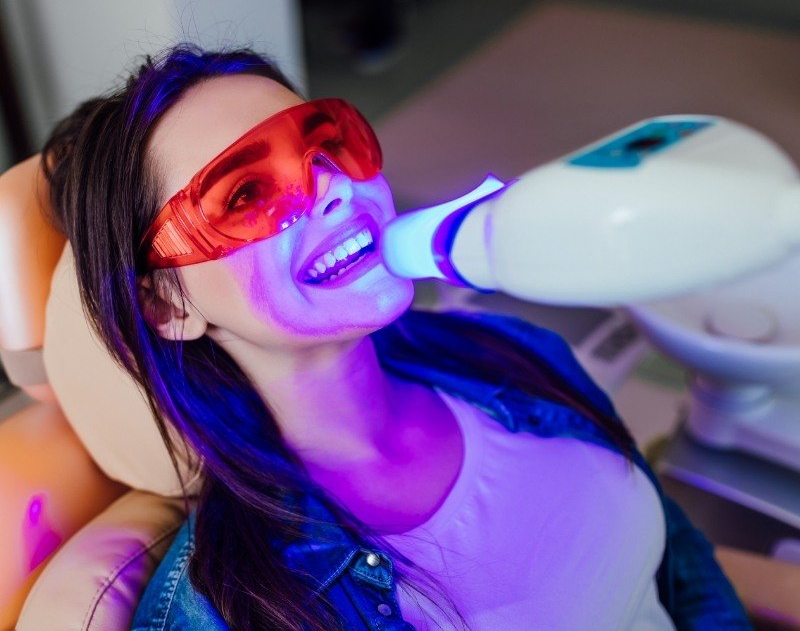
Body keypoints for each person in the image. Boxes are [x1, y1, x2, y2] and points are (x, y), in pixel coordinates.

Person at [41, 45, 752, 630]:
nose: (332, 189)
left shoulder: (515, 351)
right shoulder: (230, 612)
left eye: (325, 144)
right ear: (167, 306)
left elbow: (680, 566)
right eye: (247, 195)